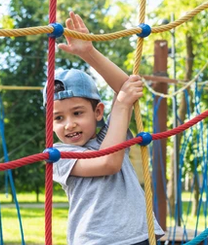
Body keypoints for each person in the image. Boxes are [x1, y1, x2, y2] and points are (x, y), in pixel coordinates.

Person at [43, 12, 164, 245]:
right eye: (58, 118)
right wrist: (121, 104)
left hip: (140, 236)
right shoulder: (58, 156)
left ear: (98, 112)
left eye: (78, 113)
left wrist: (90, 53)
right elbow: (108, 162)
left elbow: (126, 88)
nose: (70, 124)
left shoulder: (109, 137)